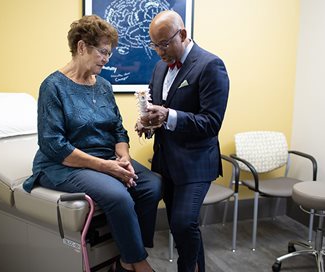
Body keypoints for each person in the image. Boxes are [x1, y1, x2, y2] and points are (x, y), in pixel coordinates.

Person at [22, 15, 161, 272]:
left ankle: (126, 259)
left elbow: (117, 129)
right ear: (82, 46)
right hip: (63, 164)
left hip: (104, 157)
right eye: (103, 52)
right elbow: (54, 144)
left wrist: (123, 158)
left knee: (151, 184)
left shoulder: (104, 86)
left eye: (109, 53)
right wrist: (107, 167)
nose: (107, 59)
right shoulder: (53, 87)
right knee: (118, 195)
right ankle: (138, 262)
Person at [136, 10, 230, 272]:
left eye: (164, 44)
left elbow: (211, 123)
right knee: (184, 228)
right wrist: (147, 122)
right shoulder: (158, 67)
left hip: (196, 161)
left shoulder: (211, 65)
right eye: (154, 45)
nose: (159, 52)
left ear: (183, 34)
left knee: (183, 223)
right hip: (166, 160)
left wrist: (169, 116)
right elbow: (157, 109)